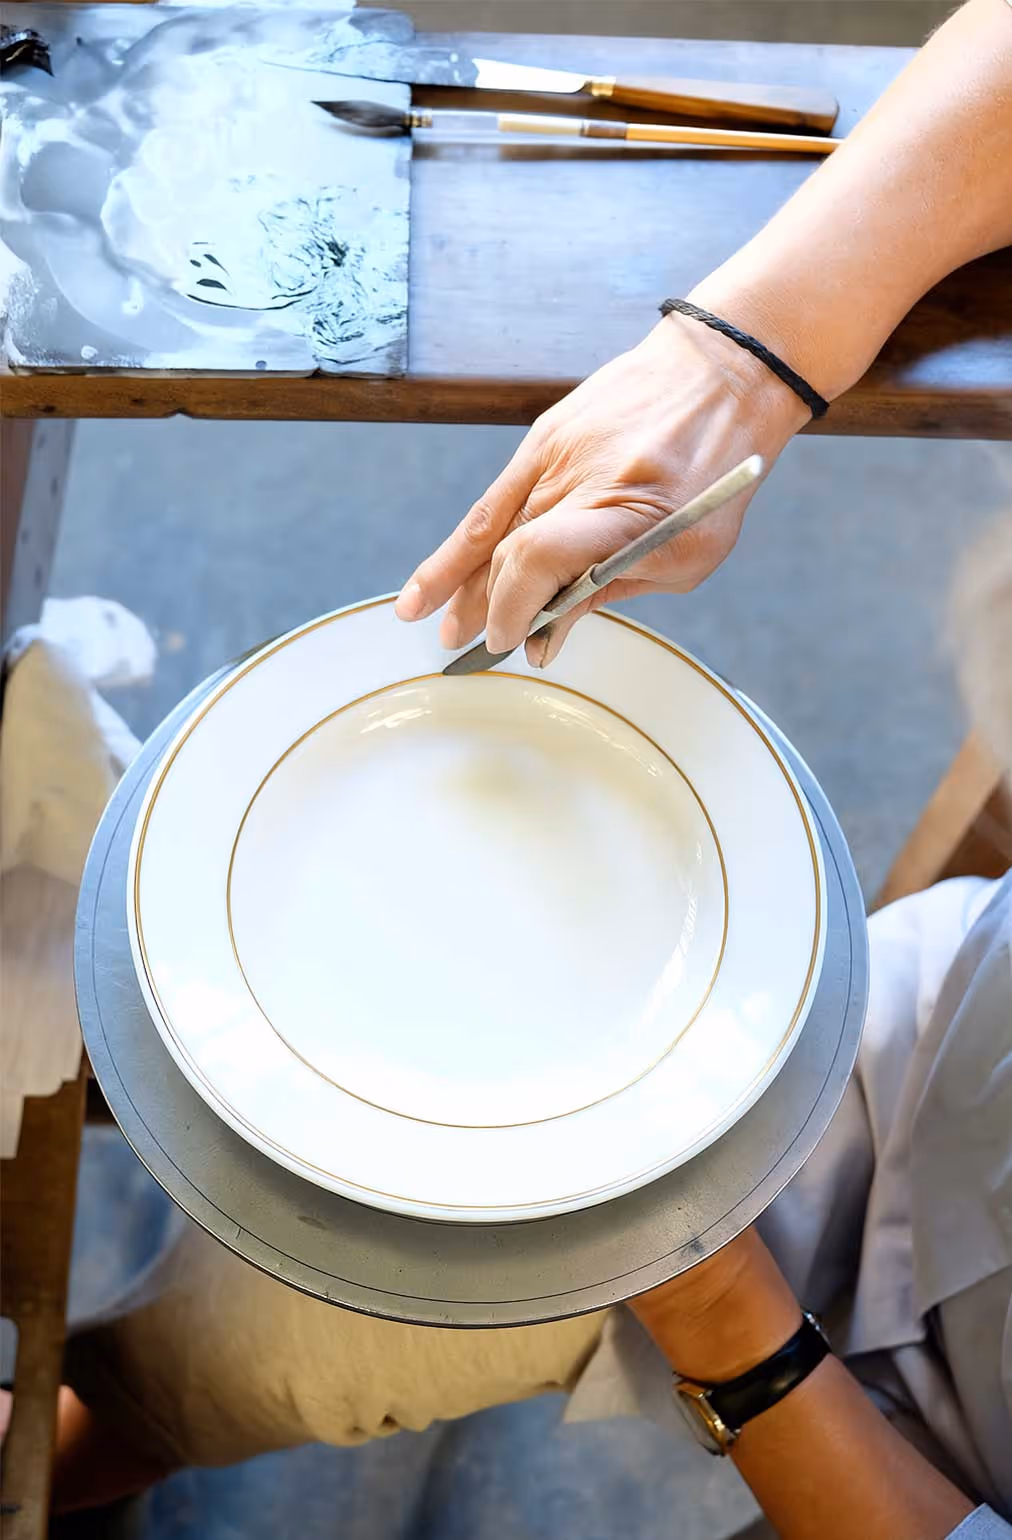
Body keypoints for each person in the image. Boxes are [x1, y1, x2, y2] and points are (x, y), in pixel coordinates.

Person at [23, 0, 1012, 1533]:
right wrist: (737, 362)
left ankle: (112, 1435)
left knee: (312, 1320)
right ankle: (125, 1417)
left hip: (892, 1464)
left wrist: (723, 1324)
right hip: (941, 1040)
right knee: (229, 1354)